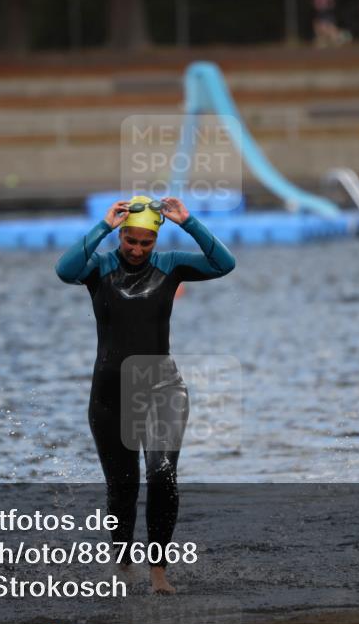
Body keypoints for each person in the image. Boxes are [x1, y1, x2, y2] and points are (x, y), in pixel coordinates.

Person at [55, 195, 236, 594]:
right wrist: (103, 225)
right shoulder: (99, 267)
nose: (137, 250)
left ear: (156, 239)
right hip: (110, 394)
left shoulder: (170, 265)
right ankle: (123, 566)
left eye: (145, 242)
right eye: (130, 241)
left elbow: (225, 263)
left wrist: (189, 222)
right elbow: (63, 269)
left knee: (162, 474)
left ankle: (158, 572)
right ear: (121, 235)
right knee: (122, 486)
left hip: (163, 388)